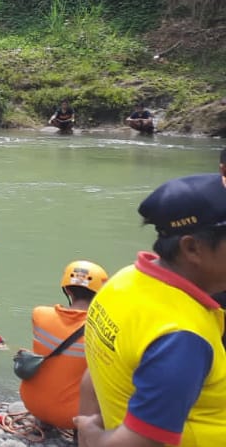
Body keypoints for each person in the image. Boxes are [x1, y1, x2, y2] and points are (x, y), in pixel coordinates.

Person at [75, 173, 226, 447]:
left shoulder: (122, 282)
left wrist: (88, 429)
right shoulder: (182, 338)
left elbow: (91, 379)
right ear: (192, 248)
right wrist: (97, 440)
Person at [19, 260, 108, 431]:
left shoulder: (40, 314)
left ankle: (45, 421)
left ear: (67, 289)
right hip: (73, 416)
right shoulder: (102, 329)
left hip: (32, 403)